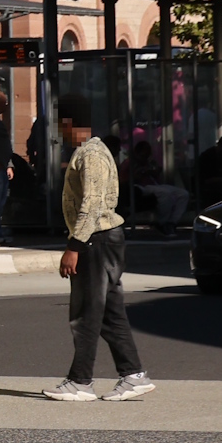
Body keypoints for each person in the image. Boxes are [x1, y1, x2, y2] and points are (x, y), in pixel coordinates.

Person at [46, 103, 153, 403]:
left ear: (69, 122)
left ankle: (80, 381)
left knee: (86, 313)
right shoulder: (94, 151)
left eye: (59, 123)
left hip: (96, 240)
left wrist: (74, 246)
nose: (57, 130)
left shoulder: (91, 154)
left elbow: (91, 204)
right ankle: (134, 375)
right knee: (109, 313)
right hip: (104, 239)